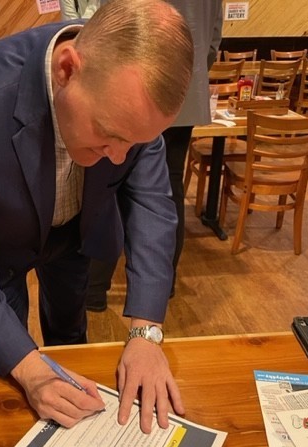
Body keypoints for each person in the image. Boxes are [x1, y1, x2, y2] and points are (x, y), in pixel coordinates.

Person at [0, 0, 194, 434]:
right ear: (66, 70)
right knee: (9, 359)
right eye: (109, 134)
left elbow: (153, 205)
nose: (119, 158)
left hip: (75, 232)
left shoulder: (127, 102)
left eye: (135, 143)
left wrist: (145, 332)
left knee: (69, 327)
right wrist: (29, 369)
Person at [86, 0, 225, 310]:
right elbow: (213, 40)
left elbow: (109, 24)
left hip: (133, 89)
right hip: (186, 95)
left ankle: (94, 288)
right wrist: (185, 81)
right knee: (171, 185)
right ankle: (163, 285)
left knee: (111, 183)